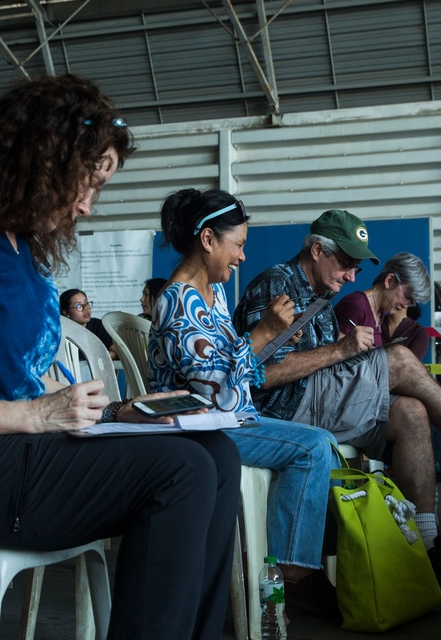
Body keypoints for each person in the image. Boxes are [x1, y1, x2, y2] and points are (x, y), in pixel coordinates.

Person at [0, 74, 241, 639]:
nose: (86, 205)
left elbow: (26, 386)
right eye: (82, 183)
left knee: (216, 452)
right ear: (36, 161)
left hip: (6, 447)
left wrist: (114, 413)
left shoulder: (18, 249)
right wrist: (36, 415)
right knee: (179, 472)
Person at [234, 209, 441, 587]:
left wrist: (341, 355)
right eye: (346, 264)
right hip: (284, 409)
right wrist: (340, 352)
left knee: (412, 412)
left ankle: (427, 545)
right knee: (402, 360)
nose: (352, 276)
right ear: (318, 250)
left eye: (357, 267)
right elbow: (259, 378)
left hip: (316, 401)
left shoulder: (322, 296)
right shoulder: (277, 283)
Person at [148, 188, 343, 615]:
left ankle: (292, 564)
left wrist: (260, 342)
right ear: (207, 240)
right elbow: (215, 391)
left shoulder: (213, 296)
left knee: (320, 442)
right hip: (200, 430)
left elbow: (241, 373)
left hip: (229, 419)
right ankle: (291, 574)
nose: (241, 257)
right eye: (237, 245)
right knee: (312, 448)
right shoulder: (177, 300)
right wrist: (265, 332)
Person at [333, 252, 432, 351]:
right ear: (389, 281)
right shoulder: (355, 306)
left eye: (411, 302)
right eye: (406, 297)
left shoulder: (379, 314)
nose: (405, 306)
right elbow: (334, 355)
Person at [59, 288, 118, 359]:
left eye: (86, 303)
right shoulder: (61, 332)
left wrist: (92, 356)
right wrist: (101, 355)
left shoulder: (98, 325)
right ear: (66, 312)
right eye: (78, 306)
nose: (86, 308)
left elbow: (118, 353)